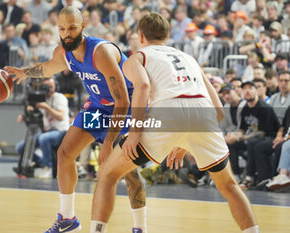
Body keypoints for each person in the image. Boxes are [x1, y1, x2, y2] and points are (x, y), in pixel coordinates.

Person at [90, 12, 260, 233]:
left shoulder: (137, 57)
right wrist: (183, 142)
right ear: (168, 36)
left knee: (108, 174)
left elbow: (142, 87)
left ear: (140, 36)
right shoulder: (189, 59)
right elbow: (218, 110)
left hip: (167, 112)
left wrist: (134, 133)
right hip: (203, 113)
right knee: (229, 186)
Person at [5, 6, 147, 233]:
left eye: (72, 27)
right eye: (62, 29)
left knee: (128, 171)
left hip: (127, 107)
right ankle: (68, 219)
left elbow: (123, 102)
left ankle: (140, 227)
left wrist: (108, 143)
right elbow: (48, 68)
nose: (67, 33)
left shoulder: (101, 53)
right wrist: (25, 72)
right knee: (64, 153)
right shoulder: (64, 52)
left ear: (82, 26)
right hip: (99, 107)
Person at [15, 78, 69, 178]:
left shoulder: (59, 97)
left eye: (51, 86)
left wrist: (46, 107)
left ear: (55, 86)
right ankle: (41, 162)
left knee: (43, 138)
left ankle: (48, 167)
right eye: (47, 87)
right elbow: (26, 115)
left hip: (61, 131)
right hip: (47, 131)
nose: (49, 89)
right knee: (20, 147)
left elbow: (60, 116)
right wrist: (26, 113)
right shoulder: (40, 98)